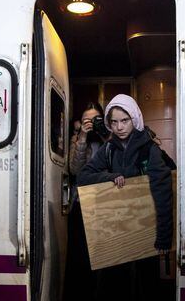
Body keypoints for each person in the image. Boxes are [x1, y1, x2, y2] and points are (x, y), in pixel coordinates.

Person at [78, 94, 173, 301]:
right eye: (114, 122)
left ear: (135, 119)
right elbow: (83, 177)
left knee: (146, 286)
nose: (119, 127)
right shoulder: (109, 148)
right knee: (113, 286)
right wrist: (110, 177)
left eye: (124, 120)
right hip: (117, 230)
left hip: (146, 231)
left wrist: (164, 237)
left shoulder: (149, 149)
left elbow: (163, 192)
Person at [64, 102, 109, 301]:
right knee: (80, 258)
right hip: (82, 205)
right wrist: (82, 137)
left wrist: (105, 135)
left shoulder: (111, 138)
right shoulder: (77, 140)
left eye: (95, 120)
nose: (91, 124)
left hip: (106, 205)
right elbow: (74, 169)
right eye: (86, 121)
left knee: (104, 259)